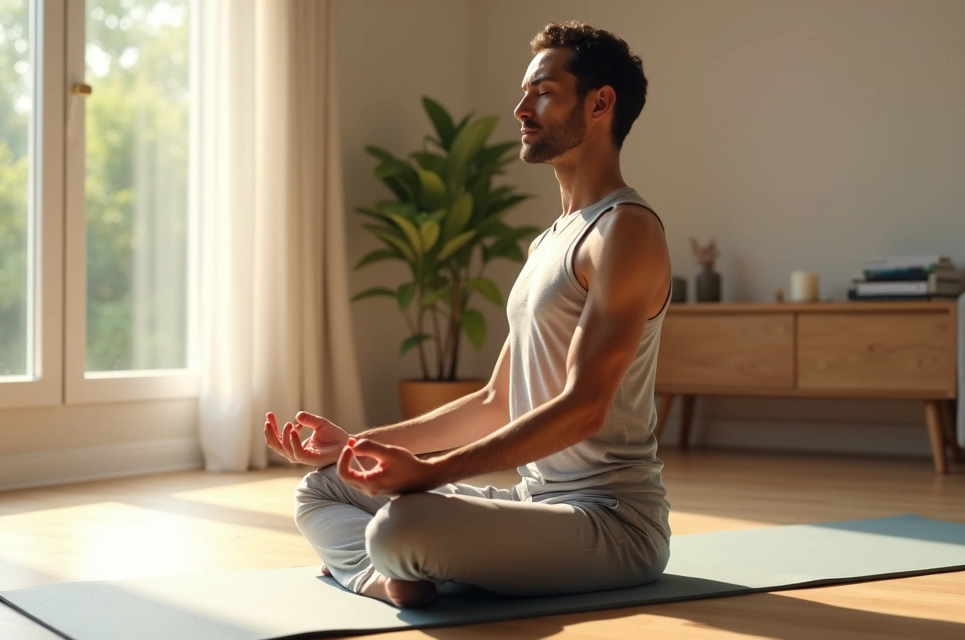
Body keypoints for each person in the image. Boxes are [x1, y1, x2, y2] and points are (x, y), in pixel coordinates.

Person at [263, 20, 672, 609]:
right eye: (525, 93)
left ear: (600, 103)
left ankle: (388, 562)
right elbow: (495, 401)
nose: (521, 109)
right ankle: (389, 578)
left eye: (544, 92)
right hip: (536, 506)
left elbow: (585, 408)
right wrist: (355, 445)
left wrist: (428, 474)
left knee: (400, 528)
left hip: (612, 523)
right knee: (322, 488)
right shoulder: (549, 242)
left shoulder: (625, 230)